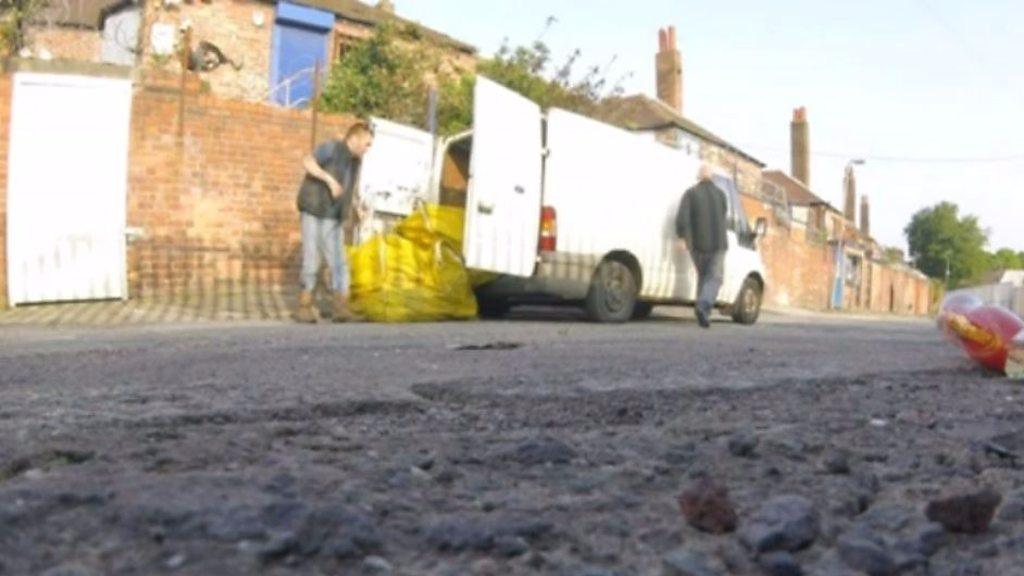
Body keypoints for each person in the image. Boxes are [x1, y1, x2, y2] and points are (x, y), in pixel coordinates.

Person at [294, 122, 374, 323]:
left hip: (333, 216)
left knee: (339, 262)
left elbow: (348, 187)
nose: (368, 149)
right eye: (367, 144)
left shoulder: (355, 162)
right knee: (312, 260)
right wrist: (329, 181)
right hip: (313, 210)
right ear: (354, 139)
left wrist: (356, 207)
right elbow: (308, 162)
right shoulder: (331, 148)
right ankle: (304, 306)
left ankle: (341, 307)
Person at [676, 164, 729, 329]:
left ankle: (702, 312)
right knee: (715, 278)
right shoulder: (721, 195)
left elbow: (682, 217)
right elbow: (724, 214)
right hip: (718, 243)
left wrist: (683, 237)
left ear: (699, 176)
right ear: (711, 177)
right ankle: (703, 306)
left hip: (697, 244)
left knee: (704, 277)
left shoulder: (690, 193)